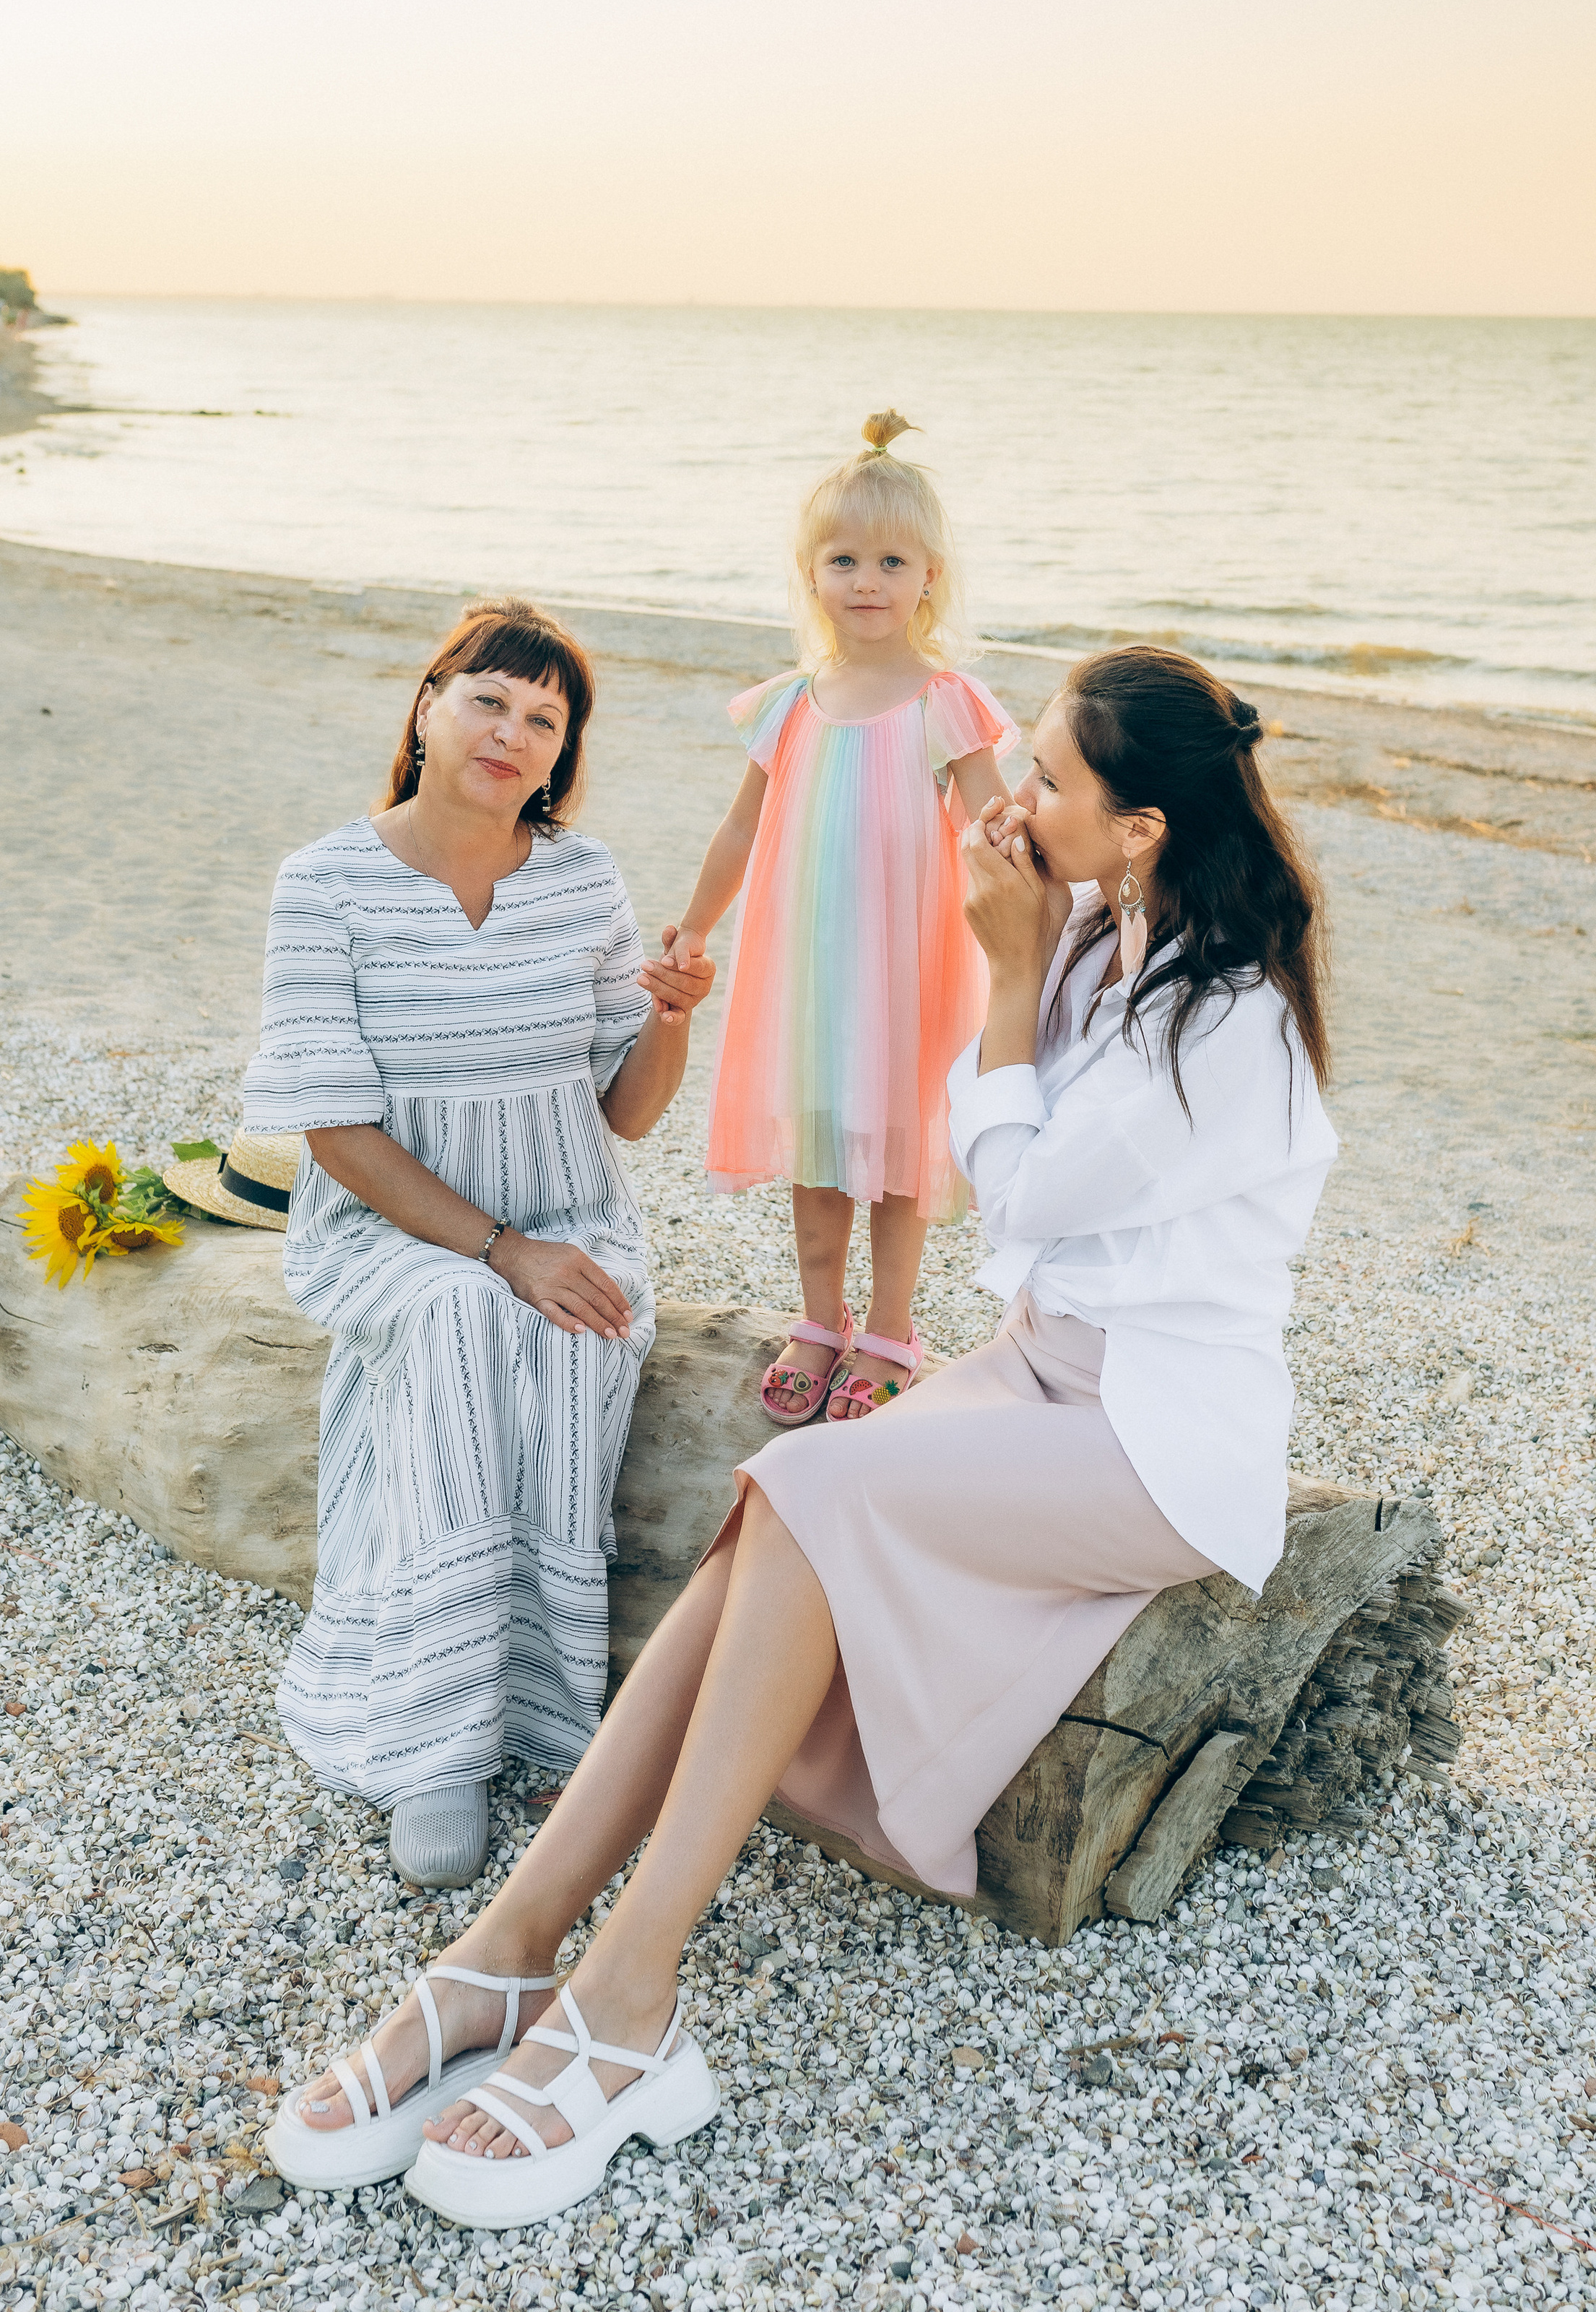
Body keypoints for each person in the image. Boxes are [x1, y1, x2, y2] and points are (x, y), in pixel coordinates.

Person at [266, 643, 1337, 2225]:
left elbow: (1014, 1193)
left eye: (1047, 781)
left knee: (807, 1480)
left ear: (1141, 829)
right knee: (782, 1503)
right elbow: (1017, 1180)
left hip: (1157, 1439)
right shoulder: (1107, 931)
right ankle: (510, 1953)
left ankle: (625, 1988)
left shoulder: (1228, 1018)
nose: (1011, 796)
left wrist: (997, 968)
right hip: (1042, 1372)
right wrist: (1029, 955)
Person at [241, 596, 714, 1904]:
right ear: (427, 705)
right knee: (461, 1322)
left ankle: (543, 1704)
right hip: (393, 1224)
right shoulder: (324, 882)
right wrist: (499, 1252)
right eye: (489, 701)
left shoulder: (585, 882)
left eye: (544, 721)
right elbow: (331, 1128)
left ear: (562, 756)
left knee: (574, 1340)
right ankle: (434, 1740)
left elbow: (623, 1113)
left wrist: (669, 1021)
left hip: (569, 1207)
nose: (512, 733)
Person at [667, 412, 1015, 1425]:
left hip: (910, 965)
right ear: (811, 574)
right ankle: (822, 1320)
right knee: (818, 1153)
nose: (868, 580)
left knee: (900, 1157)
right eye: (844, 559)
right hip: (807, 970)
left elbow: (992, 825)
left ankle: (893, 1328)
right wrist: (694, 926)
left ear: (930, 578)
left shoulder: (946, 701)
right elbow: (741, 830)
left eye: (892, 561)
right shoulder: (790, 704)